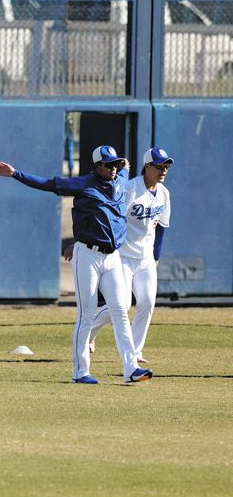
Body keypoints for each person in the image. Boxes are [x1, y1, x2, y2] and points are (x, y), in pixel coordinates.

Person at [0, 145, 152, 384]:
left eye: (115, 164)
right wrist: (15, 174)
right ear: (97, 166)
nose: (113, 168)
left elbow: (125, 170)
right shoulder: (84, 184)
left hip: (113, 257)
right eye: (108, 164)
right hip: (87, 255)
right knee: (86, 313)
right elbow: (49, 184)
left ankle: (131, 369)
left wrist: (125, 166)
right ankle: (81, 372)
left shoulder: (120, 178)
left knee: (120, 311)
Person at [85, 147, 173, 364]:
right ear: (147, 167)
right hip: (123, 256)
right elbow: (115, 217)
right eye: (159, 166)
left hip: (145, 259)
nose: (163, 170)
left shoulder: (164, 193)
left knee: (147, 302)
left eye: (166, 166)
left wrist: (156, 256)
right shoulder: (132, 188)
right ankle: (89, 333)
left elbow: (162, 226)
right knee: (122, 305)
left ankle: (135, 352)